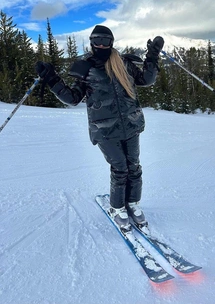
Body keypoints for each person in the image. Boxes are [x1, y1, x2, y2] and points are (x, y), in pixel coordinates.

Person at [35, 25, 164, 229]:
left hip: (131, 124)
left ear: (111, 42)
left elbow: (146, 80)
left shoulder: (124, 63)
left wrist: (153, 56)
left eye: (105, 40)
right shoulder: (85, 67)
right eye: (97, 41)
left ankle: (132, 203)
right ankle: (117, 207)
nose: (101, 45)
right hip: (104, 129)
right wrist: (52, 80)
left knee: (134, 168)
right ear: (91, 42)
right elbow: (72, 98)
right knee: (120, 168)